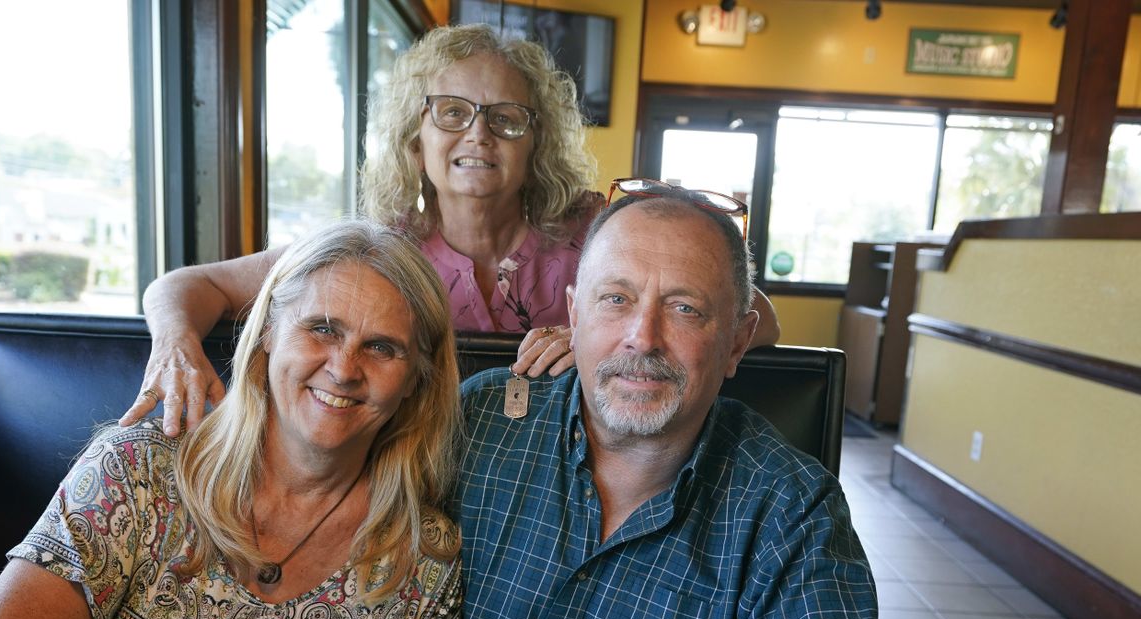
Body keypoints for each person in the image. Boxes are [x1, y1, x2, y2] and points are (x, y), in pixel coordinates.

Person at [126, 23, 780, 436]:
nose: (478, 133)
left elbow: (758, 317)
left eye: (505, 118)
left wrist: (594, 331)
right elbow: (190, 285)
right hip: (409, 478)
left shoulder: (600, 229)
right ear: (415, 136)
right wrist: (175, 341)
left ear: (537, 141)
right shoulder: (375, 246)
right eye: (452, 112)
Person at [0, 221, 468, 619]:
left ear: (416, 380)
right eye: (322, 329)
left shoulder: (424, 555)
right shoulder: (136, 476)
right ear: (267, 333)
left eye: (381, 347)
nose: (345, 369)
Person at [436, 179, 895, 619]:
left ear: (737, 344)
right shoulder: (485, 418)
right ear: (574, 316)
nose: (643, 337)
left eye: (685, 309)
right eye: (616, 299)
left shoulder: (789, 504)